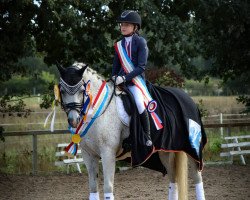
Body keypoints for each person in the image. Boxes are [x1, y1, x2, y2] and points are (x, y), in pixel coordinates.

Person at [112, 10, 152, 146]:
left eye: (127, 25)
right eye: (122, 24)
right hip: (120, 82)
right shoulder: (118, 45)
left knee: (139, 104)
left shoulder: (141, 42)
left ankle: (147, 135)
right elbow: (115, 67)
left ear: (135, 27)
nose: (123, 27)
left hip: (136, 82)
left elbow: (141, 67)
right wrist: (113, 77)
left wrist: (124, 78)